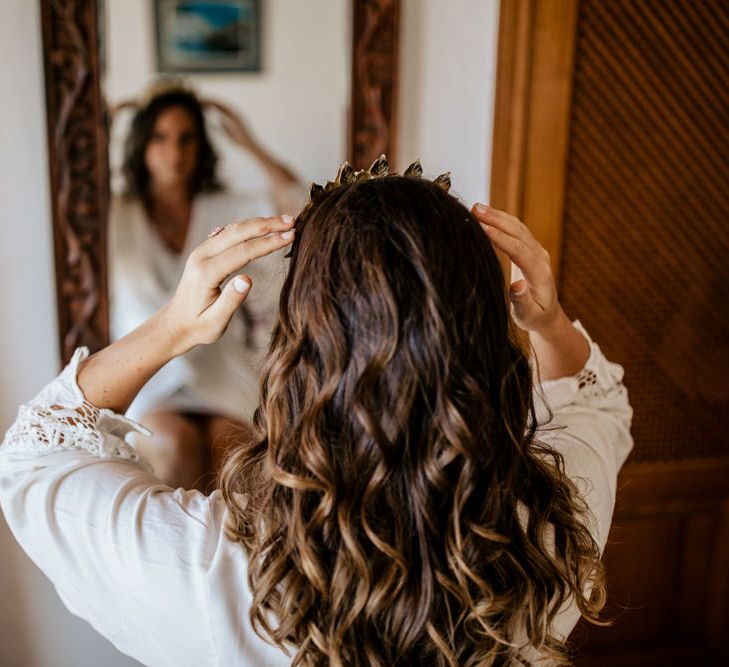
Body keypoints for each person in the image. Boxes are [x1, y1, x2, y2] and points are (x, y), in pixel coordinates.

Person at [0, 160, 633, 665]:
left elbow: (33, 460)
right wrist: (548, 321)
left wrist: (169, 327)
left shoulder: (217, 573)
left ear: (302, 347)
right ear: (485, 341)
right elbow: (594, 400)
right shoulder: (551, 537)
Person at [109, 81, 304, 493]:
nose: (174, 152)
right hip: (149, 376)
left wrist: (249, 143)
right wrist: (102, 129)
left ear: (202, 146)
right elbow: (69, 200)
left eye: (186, 139)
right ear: (141, 144)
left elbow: (298, 205)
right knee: (175, 444)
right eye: (159, 138)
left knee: (228, 450)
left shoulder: (225, 208)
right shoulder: (116, 214)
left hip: (220, 372)